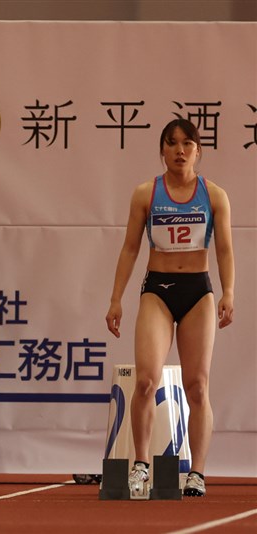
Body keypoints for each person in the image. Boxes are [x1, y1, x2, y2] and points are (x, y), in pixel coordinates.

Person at [105, 118, 234, 498]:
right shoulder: (146, 193)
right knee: (145, 379)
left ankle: (197, 472)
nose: (180, 150)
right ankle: (142, 465)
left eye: (187, 143)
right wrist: (116, 298)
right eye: (172, 143)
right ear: (161, 150)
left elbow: (224, 248)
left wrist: (229, 293)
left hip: (199, 291)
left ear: (198, 150)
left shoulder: (214, 195)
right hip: (158, 290)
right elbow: (130, 248)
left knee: (198, 386)